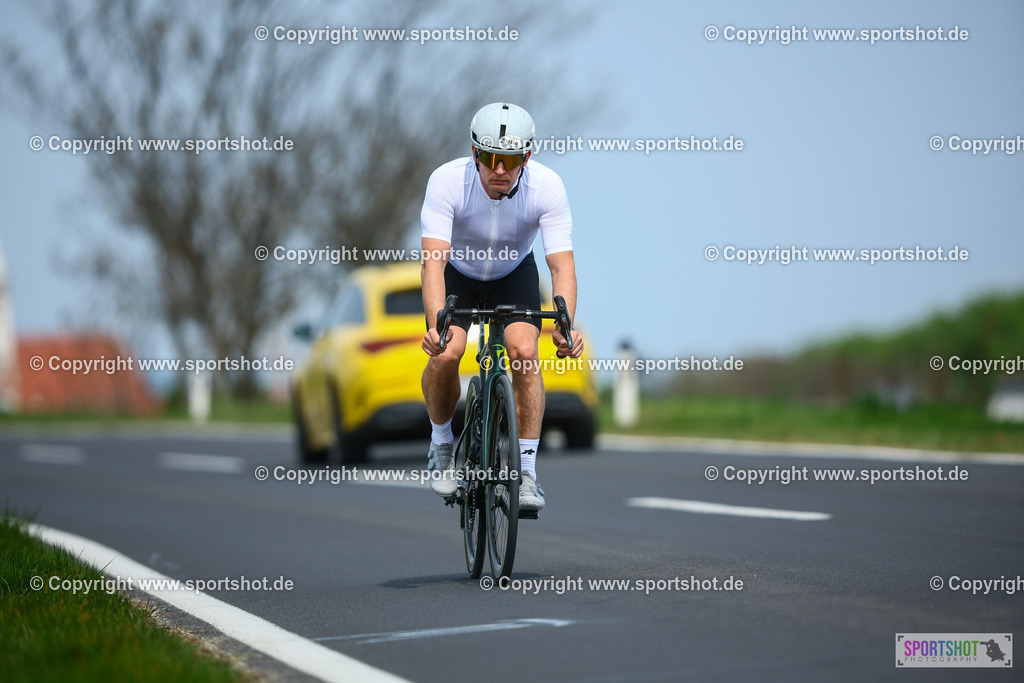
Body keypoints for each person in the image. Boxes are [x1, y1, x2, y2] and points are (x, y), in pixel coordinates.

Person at [419, 102, 584, 512]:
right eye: (489, 158)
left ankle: (527, 473)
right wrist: (436, 327)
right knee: (446, 355)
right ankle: (441, 446)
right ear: (474, 153)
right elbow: (433, 262)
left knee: (526, 353)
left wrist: (566, 325)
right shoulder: (446, 182)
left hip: (514, 273)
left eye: (509, 160)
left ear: (526, 157)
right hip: (458, 273)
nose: (499, 169)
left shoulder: (547, 186)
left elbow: (562, 265)